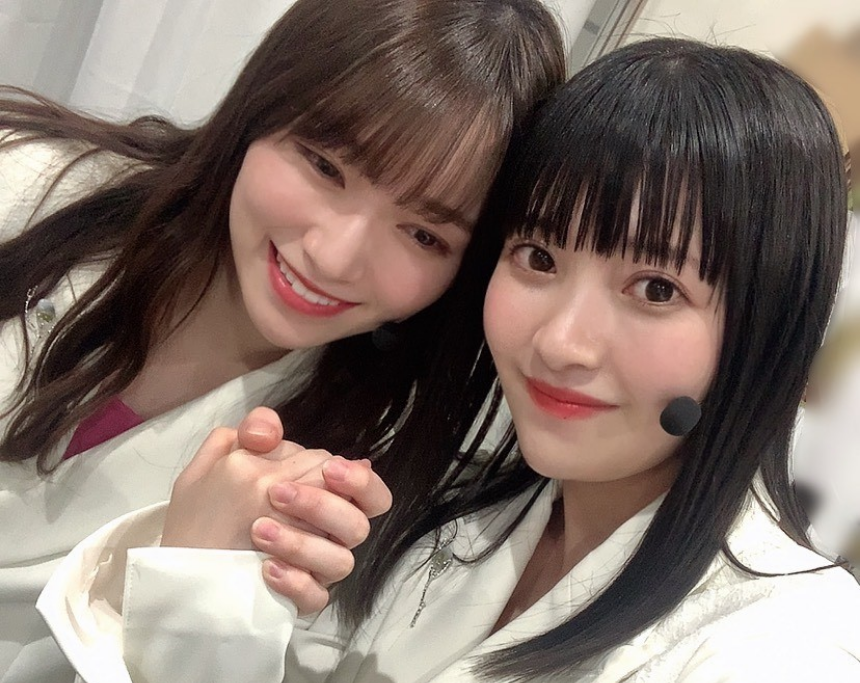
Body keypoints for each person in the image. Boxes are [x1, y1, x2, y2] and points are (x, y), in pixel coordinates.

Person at [41, 37, 860, 682]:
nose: (559, 342)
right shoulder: (456, 516)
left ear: (771, 324)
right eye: (538, 257)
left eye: (655, 288)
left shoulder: (782, 646)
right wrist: (205, 580)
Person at [0, 1, 566, 680]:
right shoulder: (28, 189)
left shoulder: (346, 487)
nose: (333, 256)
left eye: (423, 234)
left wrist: (198, 588)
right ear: (264, 105)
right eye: (326, 166)